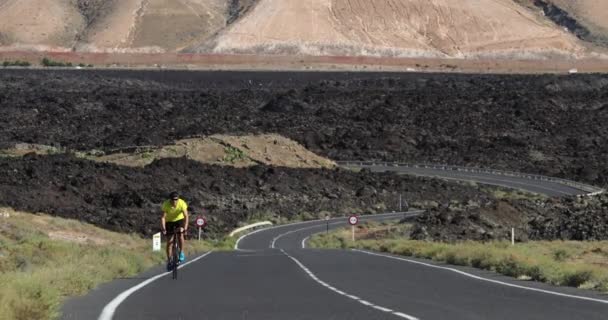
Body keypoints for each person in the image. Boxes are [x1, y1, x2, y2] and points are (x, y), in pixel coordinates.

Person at [161, 191, 189, 271]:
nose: (174, 201)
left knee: (180, 234)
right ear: (170, 200)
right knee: (169, 241)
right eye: (173, 200)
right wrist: (163, 229)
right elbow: (163, 217)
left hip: (179, 220)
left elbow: (186, 216)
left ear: (178, 199)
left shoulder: (182, 203)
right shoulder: (166, 204)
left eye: (176, 199)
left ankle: (181, 252)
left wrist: (185, 228)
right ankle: (169, 260)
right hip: (169, 221)